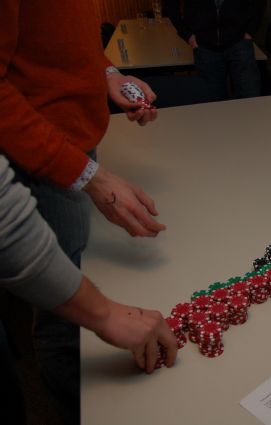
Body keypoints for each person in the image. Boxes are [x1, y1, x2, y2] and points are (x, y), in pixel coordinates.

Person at [0, 1, 167, 423]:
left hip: (71, 148)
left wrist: (108, 74)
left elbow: (59, 39)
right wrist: (89, 176)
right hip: (38, 158)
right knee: (64, 318)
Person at [0, 155, 177, 425]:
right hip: (43, 163)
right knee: (57, 329)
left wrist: (90, 174)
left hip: (62, 153)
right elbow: (10, 231)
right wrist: (106, 315)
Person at [165, 0, 266, 101]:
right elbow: (170, 4)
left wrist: (251, 30)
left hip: (240, 40)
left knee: (250, 97)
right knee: (213, 101)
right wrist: (186, 35)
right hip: (205, 45)